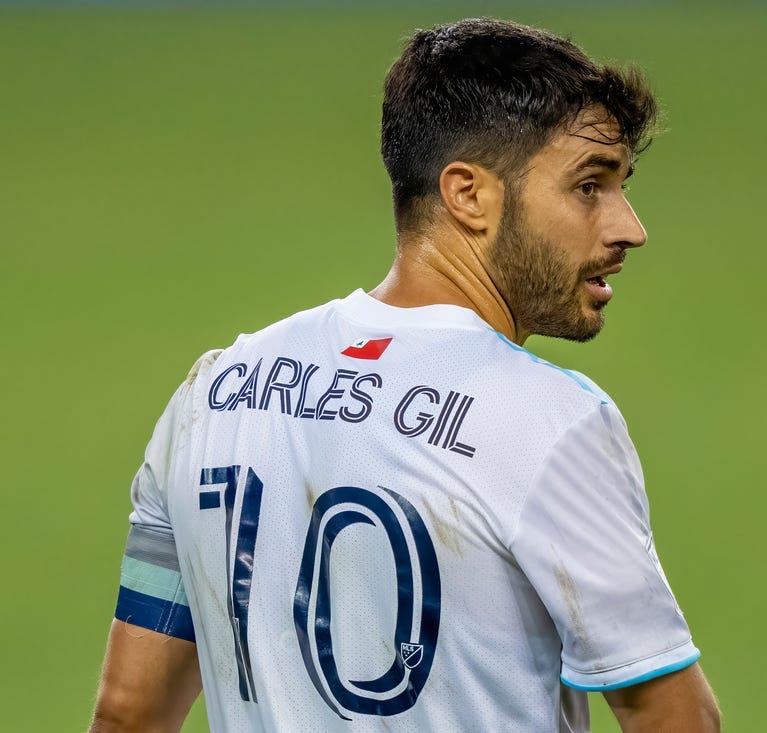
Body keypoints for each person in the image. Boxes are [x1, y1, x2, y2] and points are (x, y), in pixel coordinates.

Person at [90, 17, 720, 733]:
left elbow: (128, 713)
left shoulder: (217, 390)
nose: (628, 227)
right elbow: (674, 718)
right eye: (589, 186)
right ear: (468, 194)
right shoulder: (549, 420)